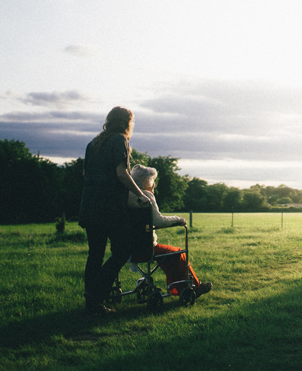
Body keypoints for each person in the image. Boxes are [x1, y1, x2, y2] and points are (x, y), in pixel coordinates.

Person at [79, 106, 150, 314]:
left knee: (95, 254)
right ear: (126, 122)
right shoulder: (120, 140)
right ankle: (96, 292)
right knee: (123, 250)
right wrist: (140, 194)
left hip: (89, 206)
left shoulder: (92, 144)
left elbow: (85, 174)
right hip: (109, 208)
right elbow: (122, 173)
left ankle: (92, 303)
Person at [127, 164, 212, 298]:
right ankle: (195, 286)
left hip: (127, 248)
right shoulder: (146, 196)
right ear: (146, 181)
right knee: (177, 252)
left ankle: (178, 289)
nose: (154, 185)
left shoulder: (126, 196)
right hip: (145, 248)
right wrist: (178, 219)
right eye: (153, 181)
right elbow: (159, 221)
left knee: (168, 254)